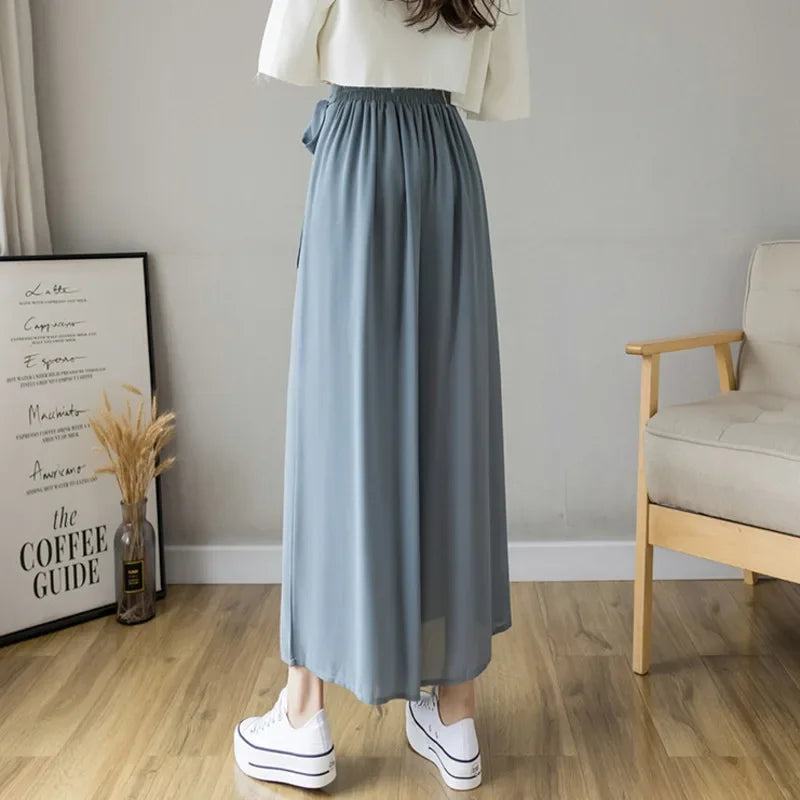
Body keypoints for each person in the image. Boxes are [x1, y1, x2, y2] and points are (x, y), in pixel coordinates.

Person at [233, 0, 530, 791]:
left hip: (358, 164)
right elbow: (501, 95)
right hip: (444, 170)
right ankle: (456, 716)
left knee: (338, 430)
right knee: (451, 425)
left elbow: (284, 55)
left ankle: (304, 716)